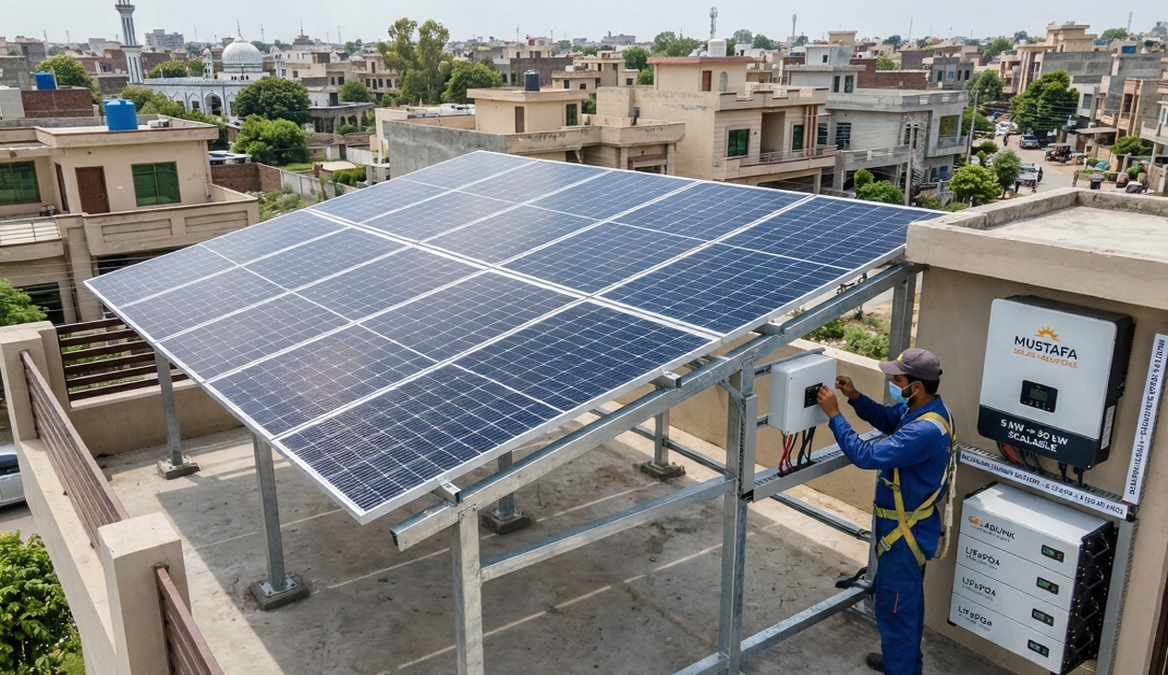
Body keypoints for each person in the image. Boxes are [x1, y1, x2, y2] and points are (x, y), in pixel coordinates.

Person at [816, 349, 955, 675]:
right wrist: (855, 398)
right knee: (906, 607)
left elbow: (864, 455)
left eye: (897, 380)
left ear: (916, 386)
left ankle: (901, 668)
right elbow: (889, 419)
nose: (892, 383)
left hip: (905, 536)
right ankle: (904, 664)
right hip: (912, 530)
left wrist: (835, 416)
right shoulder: (928, 410)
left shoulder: (923, 431)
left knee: (896, 610)